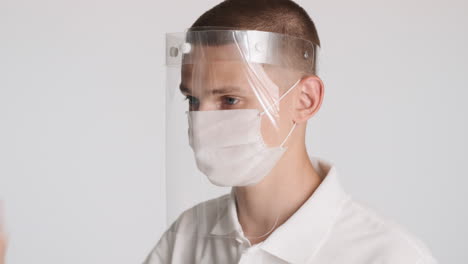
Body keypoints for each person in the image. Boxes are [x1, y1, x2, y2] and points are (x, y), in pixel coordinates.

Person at [144, 0, 438, 263]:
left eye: (229, 99)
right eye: (193, 100)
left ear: (305, 100)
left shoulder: (388, 255)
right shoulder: (186, 237)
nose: (200, 121)